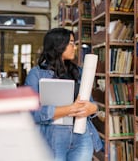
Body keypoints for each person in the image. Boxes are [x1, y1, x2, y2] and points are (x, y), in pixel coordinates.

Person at [25, 27, 103, 161]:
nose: (75, 47)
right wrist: (70, 109)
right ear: (58, 45)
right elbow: (32, 113)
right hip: (53, 136)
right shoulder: (36, 74)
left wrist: (94, 108)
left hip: (82, 134)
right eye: (71, 43)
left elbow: (89, 103)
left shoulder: (79, 71)